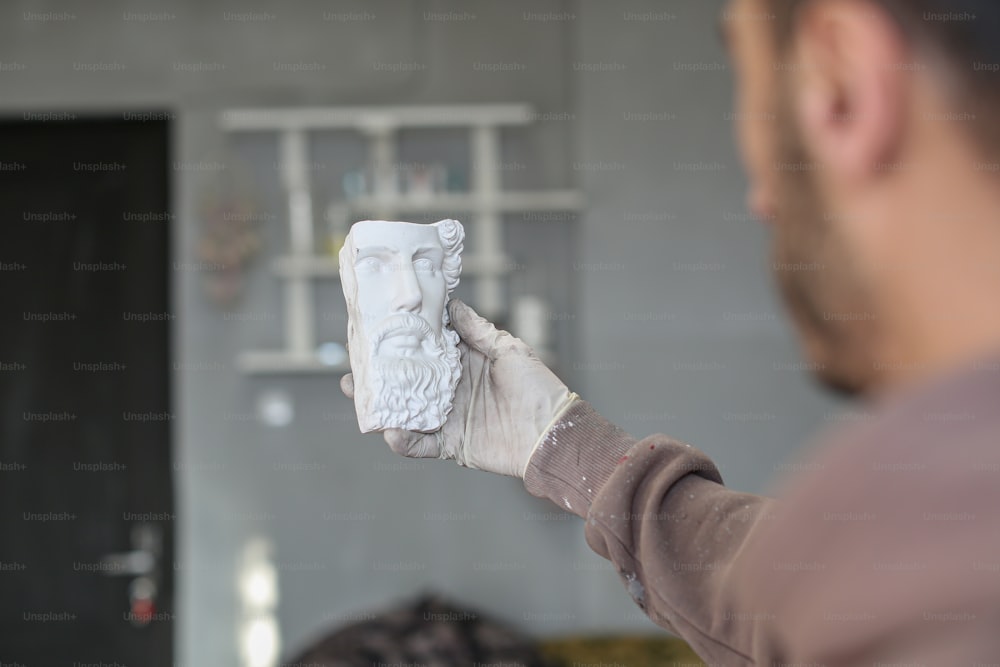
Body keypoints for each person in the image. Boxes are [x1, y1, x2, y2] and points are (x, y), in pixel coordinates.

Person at [342, 0, 1000, 664]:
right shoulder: (944, 534)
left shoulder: (936, 540)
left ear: (843, 83)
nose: (761, 199)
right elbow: (803, 603)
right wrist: (563, 444)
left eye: (754, 89)